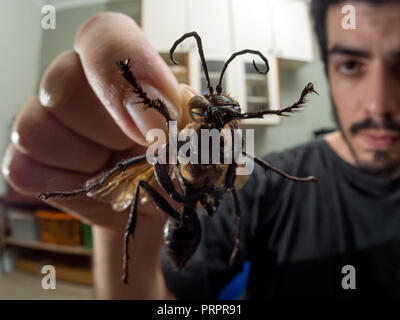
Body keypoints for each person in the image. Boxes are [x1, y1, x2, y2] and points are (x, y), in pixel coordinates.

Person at [2, 0, 400, 299]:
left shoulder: (248, 177)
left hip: (191, 208)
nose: (379, 102)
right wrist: (116, 232)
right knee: (146, 174)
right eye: (351, 64)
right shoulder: (261, 188)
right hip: (178, 217)